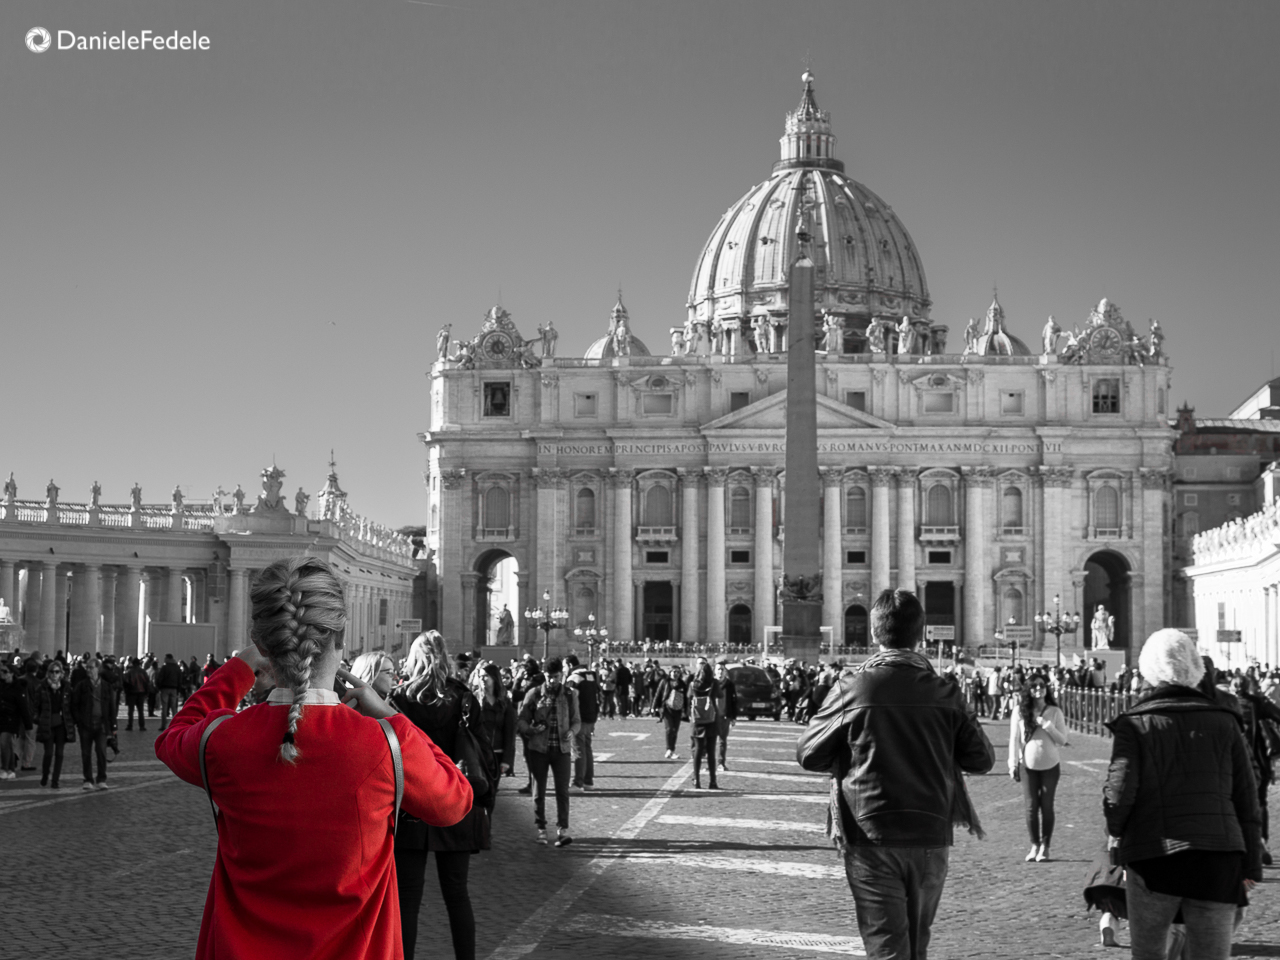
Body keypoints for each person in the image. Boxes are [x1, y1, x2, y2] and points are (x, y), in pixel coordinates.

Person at [154, 557, 472, 960]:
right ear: (341, 640)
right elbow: (455, 801)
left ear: (265, 643)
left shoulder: (222, 739)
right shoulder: (383, 745)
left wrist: (240, 667)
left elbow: (173, 736)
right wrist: (392, 715)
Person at [797, 589, 995, 960]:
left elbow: (808, 753)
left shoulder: (852, 688)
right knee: (917, 945)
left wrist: (850, 753)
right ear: (920, 635)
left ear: (874, 634)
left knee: (887, 946)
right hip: (930, 832)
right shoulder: (946, 692)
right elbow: (981, 759)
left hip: (870, 831)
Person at [1103, 629, 1263, 960]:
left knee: (1149, 955)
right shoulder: (1225, 721)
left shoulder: (1135, 723)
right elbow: (1247, 798)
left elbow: (1119, 792)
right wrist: (1250, 865)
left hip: (1153, 855)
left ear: (1148, 668)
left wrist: (1115, 831)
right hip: (1217, 859)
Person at [391, 632, 493, 960]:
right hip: (454, 800)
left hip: (412, 804)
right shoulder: (463, 698)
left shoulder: (398, 699)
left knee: (407, 899)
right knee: (457, 895)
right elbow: (483, 754)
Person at [516, 657, 580, 847]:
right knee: (539, 791)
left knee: (562, 791)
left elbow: (576, 720)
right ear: (545, 675)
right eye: (550, 677)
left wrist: (572, 732)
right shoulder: (534, 694)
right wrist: (531, 729)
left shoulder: (570, 695)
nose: (553, 681)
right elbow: (521, 720)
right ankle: (541, 829)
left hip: (561, 750)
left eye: (556, 676)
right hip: (538, 749)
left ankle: (562, 830)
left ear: (562, 675)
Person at [1009, 677, 1068, 862]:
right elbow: (1014, 739)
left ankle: (1046, 846)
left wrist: (1047, 725)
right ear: (1028, 689)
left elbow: (1062, 740)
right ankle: (1034, 845)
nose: (1038, 689)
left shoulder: (1055, 711)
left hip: (1050, 765)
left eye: (1042, 685)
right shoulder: (1019, 711)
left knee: (1047, 806)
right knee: (1031, 807)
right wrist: (1012, 763)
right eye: (1034, 686)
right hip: (1027, 765)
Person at [71, 656, 116, 791]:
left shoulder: (106, 686)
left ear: (98, 669)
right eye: (87, 667)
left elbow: (112, 708)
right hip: (85, 724)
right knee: (86, 753)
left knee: (101, 752)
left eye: (91, 667)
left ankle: (101, 779)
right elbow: (74, 705)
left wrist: (114, 726)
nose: (88, 670)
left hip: (102, 725)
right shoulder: (82, 686)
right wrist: (79, 721)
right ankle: (88, 779)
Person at [472, 662, 516, 789]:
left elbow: (510, 732)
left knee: (492, 791)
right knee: (479, 790)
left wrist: (507, 760)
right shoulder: (474, 699)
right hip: (478, 753)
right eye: (480, 676)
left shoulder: (504, 702)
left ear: (494, 678)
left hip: (497, 753)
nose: (482, 679)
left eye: (486, 676)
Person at [34, 661, 74, 788]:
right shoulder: (42, 687)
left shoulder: (66, 687)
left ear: (61, 673)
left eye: (57, 672)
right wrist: (38, 719)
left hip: (62, 724)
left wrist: (72, 719)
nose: (54, 674)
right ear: (48, 673)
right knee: (48, 753)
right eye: (52, 671)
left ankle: (55, 780)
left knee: (60, 753)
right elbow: (35, 706)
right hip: (47, 723)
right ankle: (45, 775)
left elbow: (71, 706)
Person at [565, 654, 600, 790]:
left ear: (569, 665)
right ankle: (588, 780)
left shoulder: (574, 678)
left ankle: (578, 781)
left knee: (579, 749)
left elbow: (570, 700)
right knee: (587, 748)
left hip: (579, 718)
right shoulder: (590, 675)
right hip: (591, 716)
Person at [685, 660, 721, 789]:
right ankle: (713, 781)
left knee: (698, 751)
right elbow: (720, 695)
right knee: (711, 752)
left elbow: (688, 697)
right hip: (711, 719)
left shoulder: (693, 684)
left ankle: (696, 780)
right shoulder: (714, 683)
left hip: (697, 720)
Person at [0, 659, 32, 779]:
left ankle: (4, 768)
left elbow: (23, 706)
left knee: (4, 742)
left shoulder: (18, 687)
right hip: (2, 718)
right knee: (8, 744)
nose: (2, 673)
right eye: (1, 671)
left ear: (12, 673)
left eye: (5, 671)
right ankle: (11, 769)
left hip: (12, 719)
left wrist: (28, 724)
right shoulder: (1, 685)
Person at [653, 664, 688, 760]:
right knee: (669, 729)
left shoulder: (682, 683)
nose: (675, 674)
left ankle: (672, 750)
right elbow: (658, 694)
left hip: (678, 710)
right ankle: (668, 749)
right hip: (667, 709)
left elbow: (685, 698)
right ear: (670, 672)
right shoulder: (665, 681)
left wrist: (685, 710)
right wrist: (654, 706)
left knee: (675, 730)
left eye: (677, 672)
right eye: (674, 672)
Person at [713, 659, 737, 770]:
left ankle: (721, 763)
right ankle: (710, 764)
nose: (720, 672)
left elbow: (734, 701)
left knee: (722, 741)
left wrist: (733, 717)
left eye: (722, 670)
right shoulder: (711, 683)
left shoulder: (729, 684)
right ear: (715, 671)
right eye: (718, 669)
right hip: (711, 716)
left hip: (724, 716)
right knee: (710, 742)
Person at [123, 656, 152, 731]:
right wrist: (146, 692)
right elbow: (147, 682)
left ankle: (130, 725)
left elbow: (126, 683)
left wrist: (126, 692)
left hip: (131, 692)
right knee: (140, 711)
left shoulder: (129, 672)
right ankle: (142, 726)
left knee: (130, 711)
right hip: (141, 692)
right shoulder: (143, 671)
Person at [156, 653, 184, 729]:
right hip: (174, 689)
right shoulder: (177, 668)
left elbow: (160, 678)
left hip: (165, 688)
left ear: (167, 659)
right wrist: (178, 690)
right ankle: (175, 725)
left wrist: (159, 687)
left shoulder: (164, 667)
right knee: (174, 707)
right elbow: (180, 679)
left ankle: (163, 725)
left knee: (164, 708)